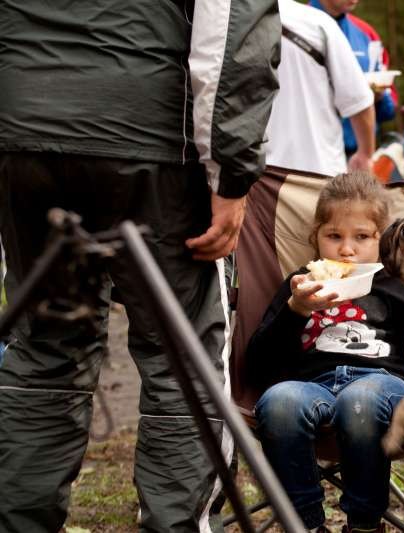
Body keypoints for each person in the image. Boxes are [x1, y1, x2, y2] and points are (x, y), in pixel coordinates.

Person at [0, 1, 280, 531]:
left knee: (43, 345)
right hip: (146, 134)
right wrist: (230, 171)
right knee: (182, 353)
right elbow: (234, 23)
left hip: (24, 127)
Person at [246, 172, 404, 533]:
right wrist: (295, 309)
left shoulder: (400, 286)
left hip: (383, 384)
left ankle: (365, 525)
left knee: (362, 400)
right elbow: (259, 364)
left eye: (362, 237)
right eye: (334, 236)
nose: (346, 249)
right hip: (312, 383)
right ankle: (305, 525)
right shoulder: (300, 284)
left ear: (383, 241)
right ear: (315, 238)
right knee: (280, 401)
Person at [265, 0, 376, 175]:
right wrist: (365, 154)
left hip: (256, 176)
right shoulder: (316, 23)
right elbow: (360, 103)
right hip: (319, 171)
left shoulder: (225, 26)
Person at [310, 0, 399, 159]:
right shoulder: (292, 28)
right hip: (309, 152)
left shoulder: (367, 34)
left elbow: (389, 108)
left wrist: (378, 96)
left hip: (357, 155)